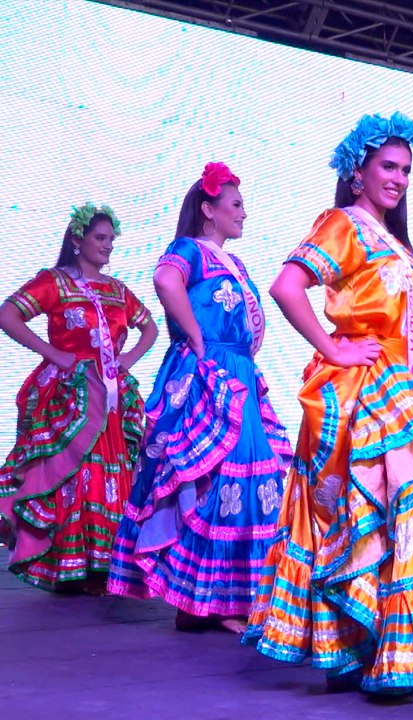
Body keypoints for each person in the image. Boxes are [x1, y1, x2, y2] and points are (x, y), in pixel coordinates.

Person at [243, 112, 413, 694]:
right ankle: (372, 650)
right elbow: (287, 286)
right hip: (363, 389)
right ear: (357, 170)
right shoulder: (344, 223)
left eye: (406, 169)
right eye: (388, 166)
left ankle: (401, 651)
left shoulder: (395, 241)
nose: (399, 177)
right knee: (384, 513)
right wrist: (332, 345)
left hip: (403, 389)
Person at [108, 165, 291, 631]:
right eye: (236, 206)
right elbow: (166, 281)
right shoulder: (190, 249)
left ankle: (212, 599)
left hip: (237, 375)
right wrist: (197, 338)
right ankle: (208, 602)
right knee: (217, 477)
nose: (244, 214)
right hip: (211, 374)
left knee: (250, 478)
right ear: (208, 211)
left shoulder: (233, 262)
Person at [0, 204, 157, 592]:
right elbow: (7, 314)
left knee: (111, 471)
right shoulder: (55, 282)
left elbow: (150, 327)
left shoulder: (117, 289)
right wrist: (53, 354)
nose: (107, 247)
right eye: (100, 239)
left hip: (110, 394)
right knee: (71, 470)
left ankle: (104, 564)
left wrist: (127, 360)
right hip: (71, 392)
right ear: (77, 240)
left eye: (111, 240)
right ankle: (68, 562)